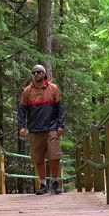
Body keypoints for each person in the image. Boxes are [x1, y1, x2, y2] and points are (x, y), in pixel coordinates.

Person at [18, 64, 66, 195]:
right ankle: (43, 184)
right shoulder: (27, 91)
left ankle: (55, 182)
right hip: (35, 129)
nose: (36, 74)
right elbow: (22, 110)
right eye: (34, 72)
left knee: (54, 156)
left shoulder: (53, 88)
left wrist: (61, 125)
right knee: (38, 159)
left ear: (44, 74)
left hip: (52, 128)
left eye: (39, 72)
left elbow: (60, 108)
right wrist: (22, 126)